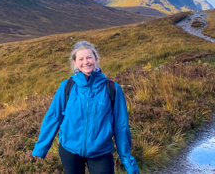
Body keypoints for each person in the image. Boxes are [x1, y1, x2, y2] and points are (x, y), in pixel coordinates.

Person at [32, 41, 139, 174]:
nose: (86, 62)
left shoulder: (112, 88)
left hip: (101, 151)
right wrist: (41, 148)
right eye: (81, 59)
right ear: (75, 63)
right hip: (69, 150)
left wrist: (128, 160)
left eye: (89, 57)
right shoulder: (67, 86)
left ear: (96, 59)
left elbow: (121, 126)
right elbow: (53, 117)